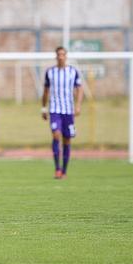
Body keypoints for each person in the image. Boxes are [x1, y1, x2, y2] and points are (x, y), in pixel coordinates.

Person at [41, 46, 83, 179]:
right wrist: (43, 108)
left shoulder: (72, 72)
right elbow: (46, 91)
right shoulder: (50, 72)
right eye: (58, 54)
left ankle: (64, 170)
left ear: (66, 56)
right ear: (56, 56)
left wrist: (78, 106)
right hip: (54, 110)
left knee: (66, 140)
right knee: (56, 135)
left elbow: (79, 89)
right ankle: (57, 169)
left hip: (68, 111)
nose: (60, 57)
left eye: (63, 54)